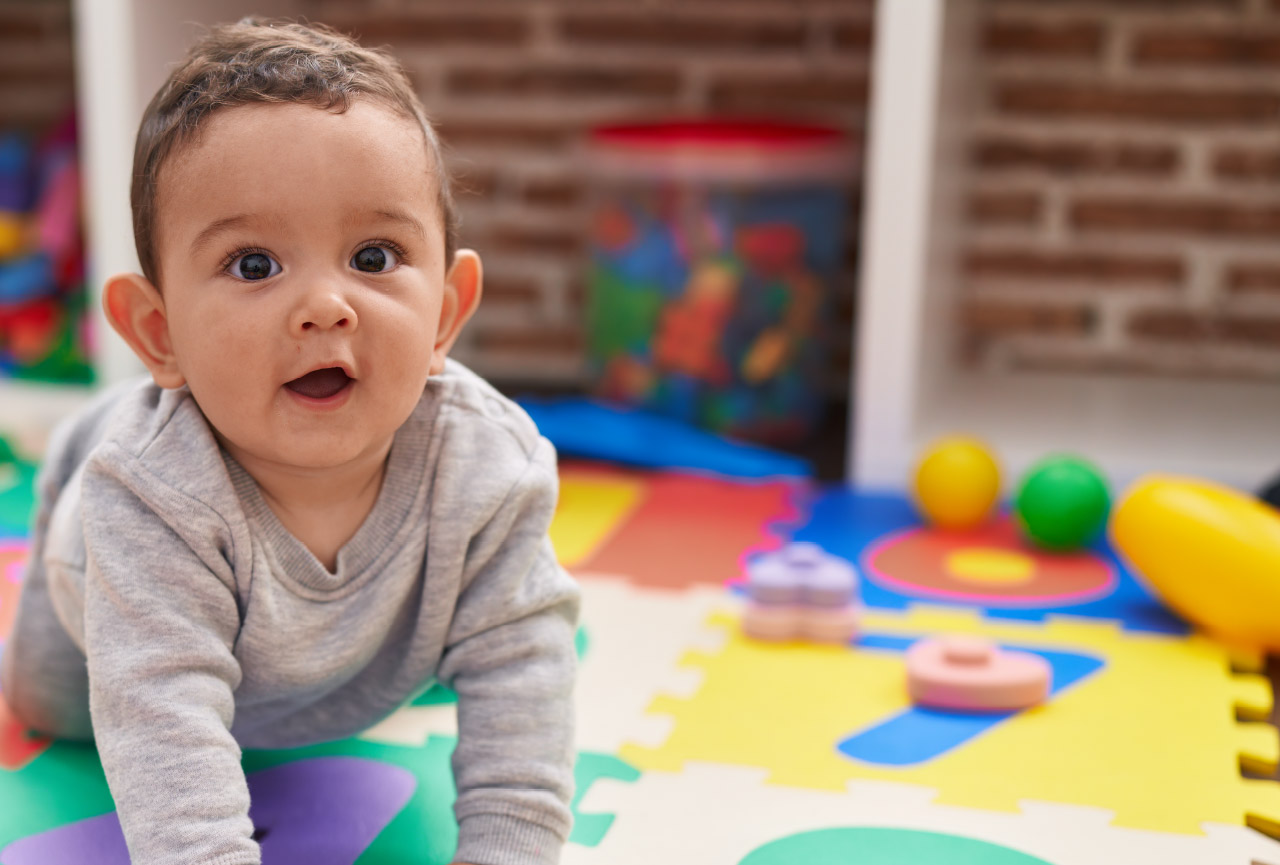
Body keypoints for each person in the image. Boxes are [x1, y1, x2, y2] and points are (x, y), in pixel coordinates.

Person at [0, 18, 579, 865]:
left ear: (446, 314)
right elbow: (162, 732)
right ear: (159, 332)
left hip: (348, 664)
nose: (325, 306)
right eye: (254, 265)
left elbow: (523, 673)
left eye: (373, 256)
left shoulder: (489, 467)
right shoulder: (148, 497)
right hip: (103, 587)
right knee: (50, 707)